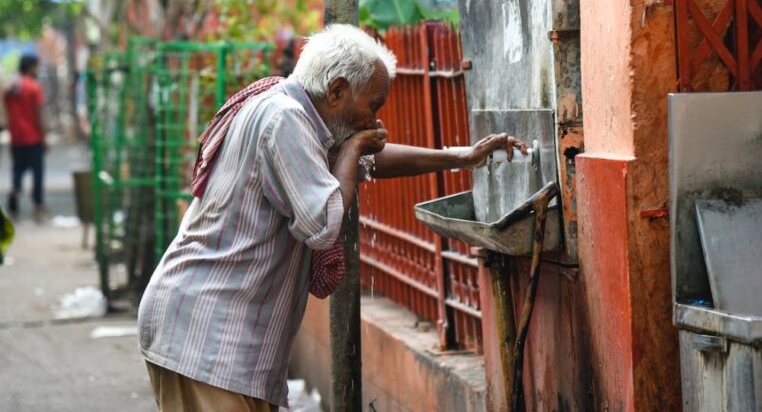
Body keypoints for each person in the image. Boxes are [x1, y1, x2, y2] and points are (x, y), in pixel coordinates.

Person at [137, 24, 526, 411]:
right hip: (206, 336)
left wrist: (462, 156)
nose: (373, 121)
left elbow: (369, 158)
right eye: (372, 106)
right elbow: (322, 224)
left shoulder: (297, 113)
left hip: (218, 339)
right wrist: (355, 148)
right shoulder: (284, 119)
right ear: (337, 90)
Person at [3, 54, 46, 222]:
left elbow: (5, 109)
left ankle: (14, 198)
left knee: (18, 171)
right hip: (33, 137)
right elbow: (39, 114)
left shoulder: (11, 88)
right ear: (31, 67)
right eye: (37, 66)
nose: (38, 70)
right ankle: (38, 206)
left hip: (16, 137)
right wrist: (44, 136)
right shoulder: (34, 87)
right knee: (38, 173)